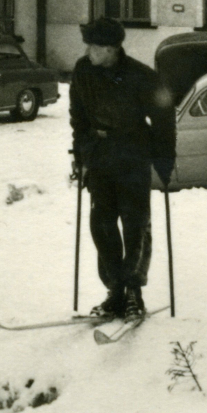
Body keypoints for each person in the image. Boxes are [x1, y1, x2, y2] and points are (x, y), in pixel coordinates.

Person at [69, 17, 176, 322]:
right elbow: (77, 116)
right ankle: (114, 290)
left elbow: (164, 119)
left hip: (132, 156)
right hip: (99, 156)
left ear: (113, 48)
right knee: (101, 225)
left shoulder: (142, 76)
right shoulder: (83, 70)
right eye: (88, 45)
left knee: (135, 225)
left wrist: (164, 162)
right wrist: (81, 154)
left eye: (95, 46)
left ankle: (133, 293)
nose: (89, 51)